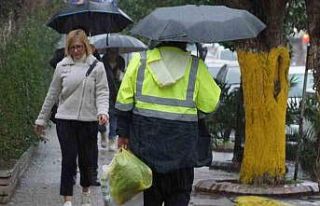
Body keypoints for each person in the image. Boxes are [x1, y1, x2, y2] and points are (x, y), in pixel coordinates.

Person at [115, 41, 221, 206]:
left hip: (145, 151)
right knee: (179, 196)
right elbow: (211, 104)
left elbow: (123, 102)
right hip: (182, 153)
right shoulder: (195, 65)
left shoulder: (140, 61)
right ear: (184, 41)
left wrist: (123, 134)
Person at [34, 29, 109, 206]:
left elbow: (103, 92)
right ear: (68, 48)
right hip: (65, 120)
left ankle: (86, 192)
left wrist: (103, 112)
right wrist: (41, 119)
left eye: (79, 47)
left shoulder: (97, 66)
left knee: (86, 160)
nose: (76, 50)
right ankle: (67, 199)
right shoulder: (62, 66)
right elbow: (52, 95)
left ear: (86, 46)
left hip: (89, 120)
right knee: (68, 159)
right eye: (72, 47)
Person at [99, 48, 125, 150]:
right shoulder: (102, 63)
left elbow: (123, 77)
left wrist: (120, 75)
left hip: (116, 94)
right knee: (102, 116)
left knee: (114, 117)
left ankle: (112, 139)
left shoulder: (121, 61)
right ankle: (103, 133)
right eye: (111, 52)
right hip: (103, 92)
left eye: (115, 52)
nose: (113, 55)